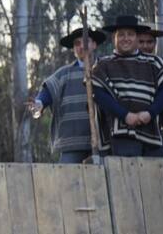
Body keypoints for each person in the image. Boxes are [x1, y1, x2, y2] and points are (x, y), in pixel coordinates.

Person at [91, 15, 163, 157]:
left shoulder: (154, 62)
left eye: (130, 34)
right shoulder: (102, 65)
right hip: (121, 133)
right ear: (114, 39)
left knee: (156, 176)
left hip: (152, 131)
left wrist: (150, 113)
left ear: (137, 38)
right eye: (121, 35)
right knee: (127, 176)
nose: (126, 38)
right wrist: (125, 115)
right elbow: (99, 95)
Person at [29, 26, 107, 163]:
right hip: (72, 143)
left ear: (94, 44)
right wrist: (39, 104)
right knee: (67, 181)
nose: (81, 46)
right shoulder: (64, 74)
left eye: (85, 41)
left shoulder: (106, 69)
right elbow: (46, 93)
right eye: (77, 43)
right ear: (73, 49)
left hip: (103, 142)